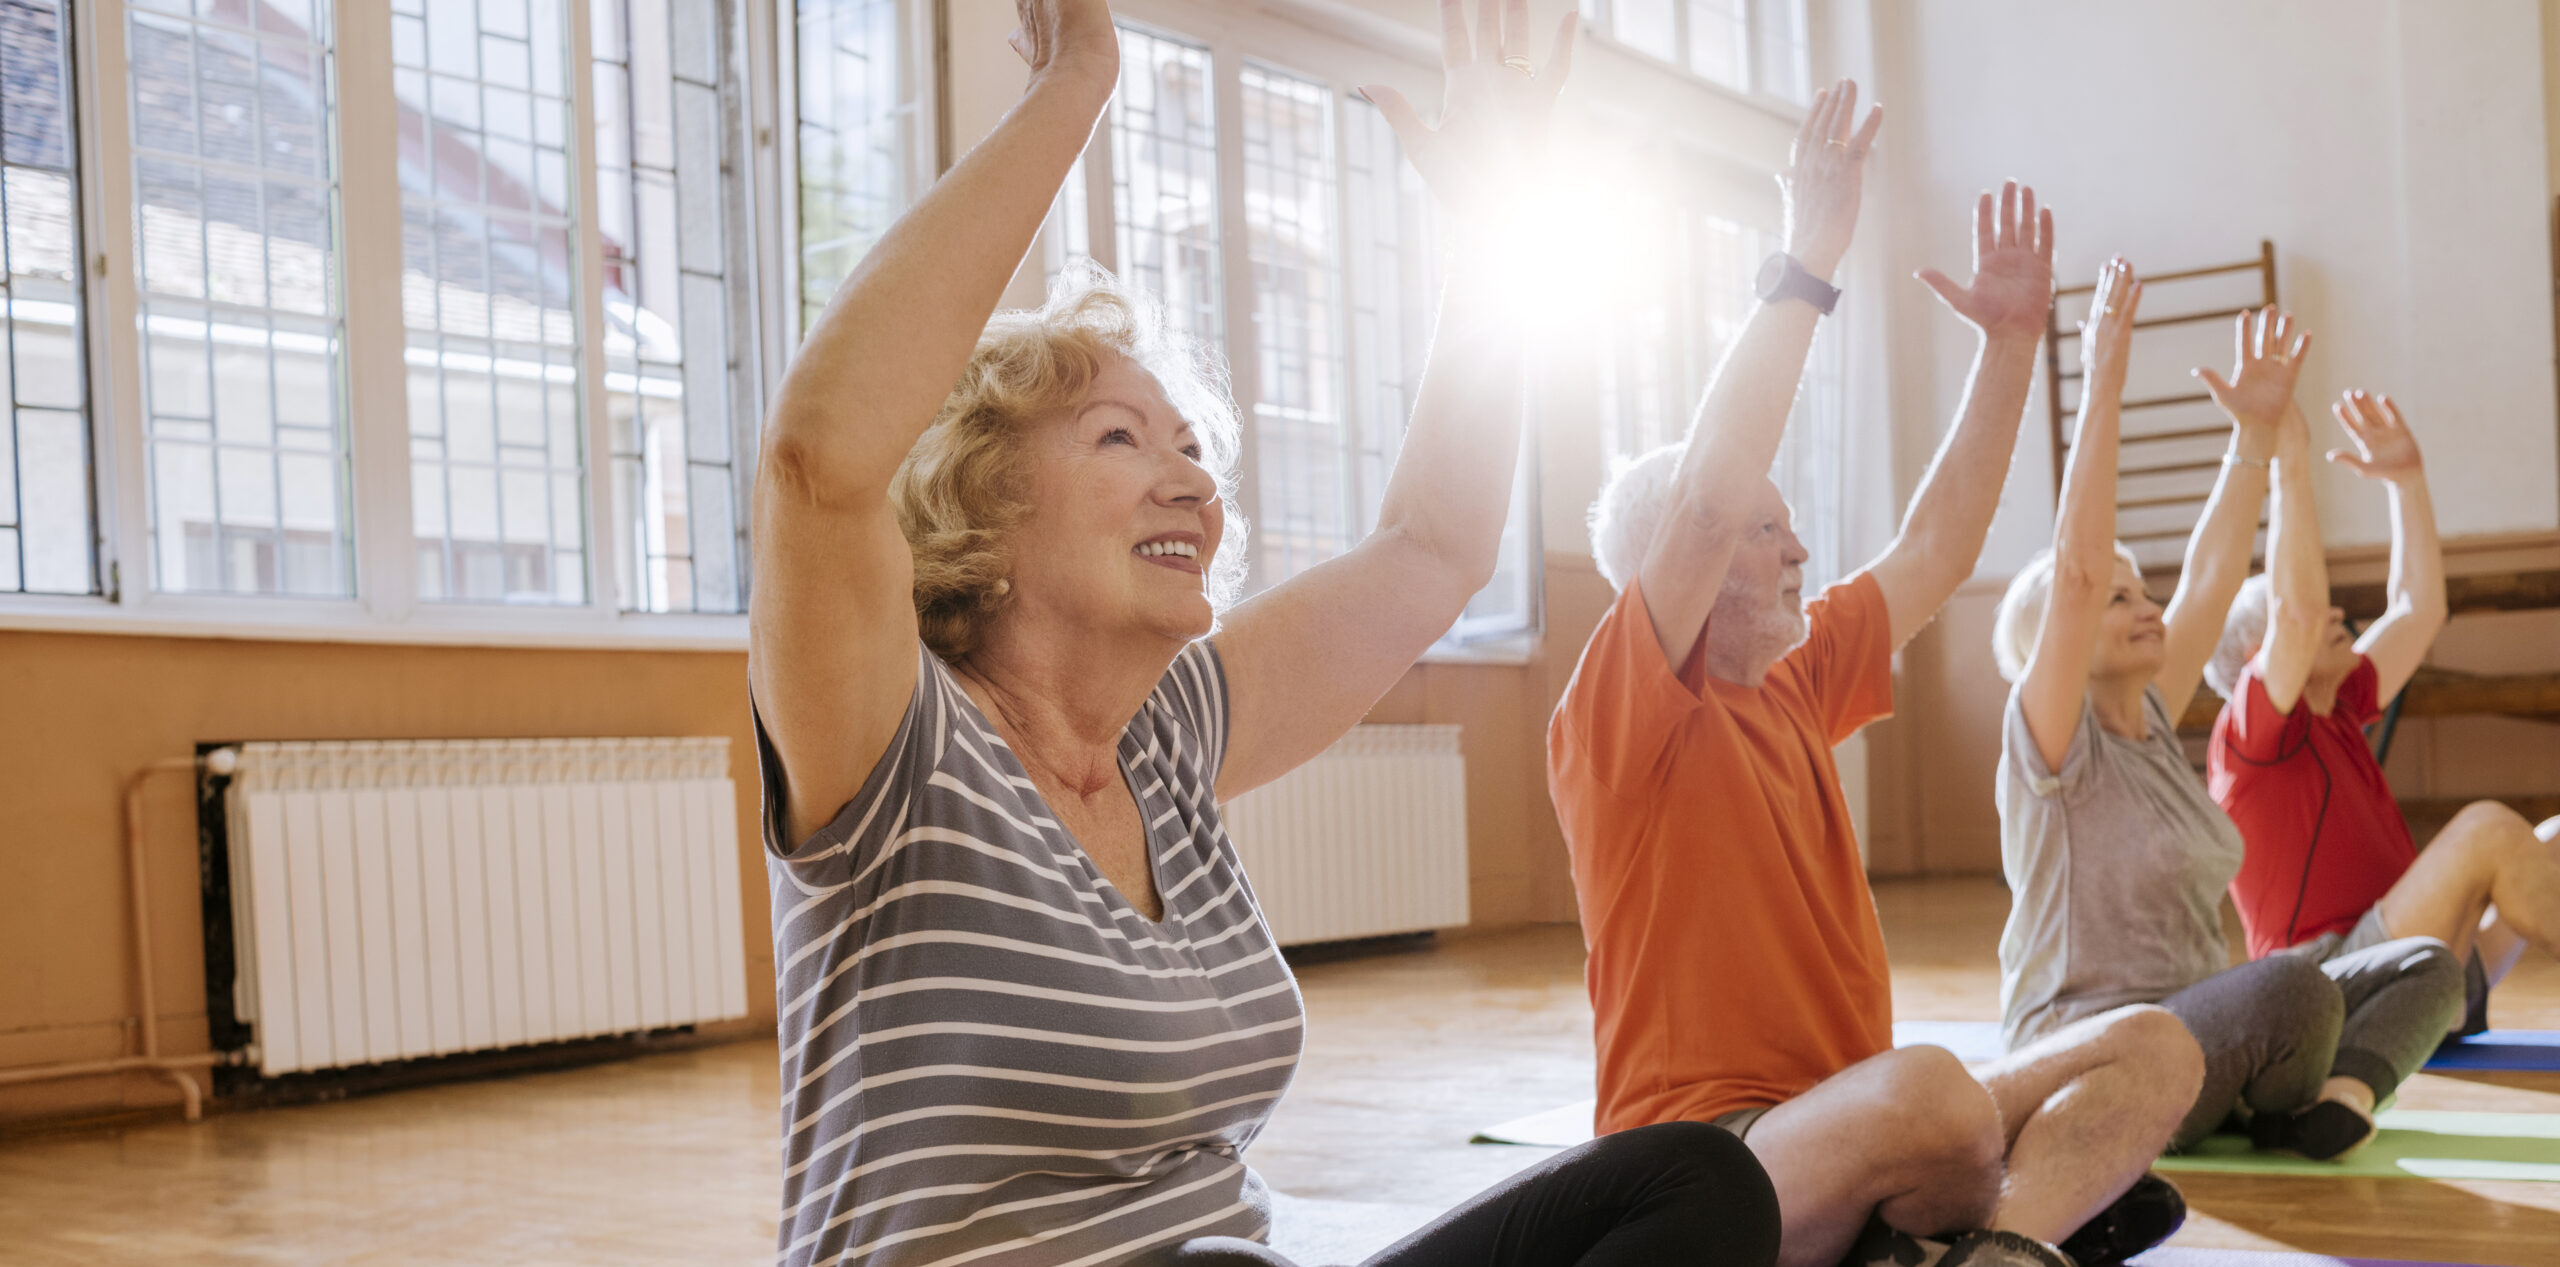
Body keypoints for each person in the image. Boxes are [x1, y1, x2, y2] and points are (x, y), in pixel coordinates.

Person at [748, 1, 1781, 1264]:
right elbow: (819, 460)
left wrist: (1493, 234)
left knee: (1689, 1183)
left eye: (1191, 447)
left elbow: (1434, 547)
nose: (1189, 482)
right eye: (1119, 440)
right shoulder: (896, 747)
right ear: (983, 499)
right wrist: (1076, 81)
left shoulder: (1168, 736)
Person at [1549, 81, 2200, 1267]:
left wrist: (2010, 346)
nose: (1798, 549)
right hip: (1712, 1164)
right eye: (1766, 531)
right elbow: (1700, 500)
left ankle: (1986, 1250)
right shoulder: (1623, 708)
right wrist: (1806, 258)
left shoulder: (1798, 677)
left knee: (2153, 1045)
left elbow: (1938, 545)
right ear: (1682, 567)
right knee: (1934, 1102)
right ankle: (1995, 1217)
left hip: (1859, 1115)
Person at [1992, 283, 2466, 1165]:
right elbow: (2080, 570)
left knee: (2426, 963)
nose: (2141, 604)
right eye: (2117, 598)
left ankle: (2325, 1099)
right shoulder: (2051, 746)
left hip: (2205, 1030)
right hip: (2091, 1055)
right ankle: (2275, 1090)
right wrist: (2104, 379)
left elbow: (2210, 576)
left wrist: (2254, 438)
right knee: (2291, 989)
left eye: (2144, 591)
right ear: (2057, 636)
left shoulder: (2155, 723)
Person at [2205, 389, 2560, 1039]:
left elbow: (2418, 608)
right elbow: (2301, 613)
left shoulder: (2338, 705)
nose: (2337, 613)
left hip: (2407, 967)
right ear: (2262, 654)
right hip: (2325, 985)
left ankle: (2441, 1007)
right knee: (2484, 828)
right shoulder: (2248, 738)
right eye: (2319, 611)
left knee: (2557, 836)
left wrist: (2406, 479)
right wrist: (2290, 455)